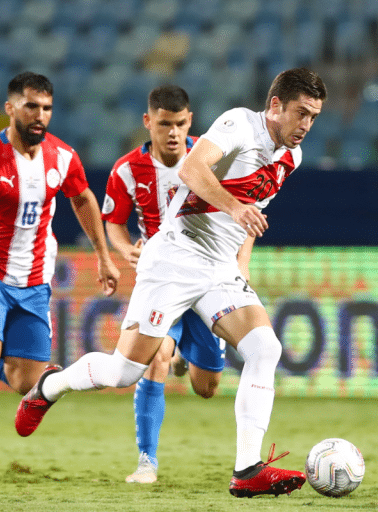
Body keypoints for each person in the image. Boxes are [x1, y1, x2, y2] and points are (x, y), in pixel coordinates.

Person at [16, 68, 327, 498]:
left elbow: (248, 217)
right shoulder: (240, 123)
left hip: (220, 269)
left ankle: (247, 469)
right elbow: (193, 171)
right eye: (301, 113)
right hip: (175, 258)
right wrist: (235, 208)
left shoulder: (292, 158)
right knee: (125, 371)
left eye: (314, 117)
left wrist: (242, 258)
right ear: (275, 106)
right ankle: (50, 386)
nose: (307, 125)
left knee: (265, 349)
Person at [0, 71, 120, 481]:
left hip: (35, 281)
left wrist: (103, 256)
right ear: (10, 108)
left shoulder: (63, 157)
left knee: (27, 383)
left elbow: (83, 197)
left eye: (47, 108)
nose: (40, 116)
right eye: (31, 106)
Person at [101, 85, 256, 484]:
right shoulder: (126, 170)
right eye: (164, 123)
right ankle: (146, 462)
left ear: (191, 122)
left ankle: (186, 357)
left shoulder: (213, 159)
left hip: (208, 279)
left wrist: (242, 259)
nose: (172, 132)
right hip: (163, 280)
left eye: (181, 123)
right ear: (148, 122)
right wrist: (124, 251)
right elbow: (113, 221)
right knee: (152, 360)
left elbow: (247, 207)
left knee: (207, 387)